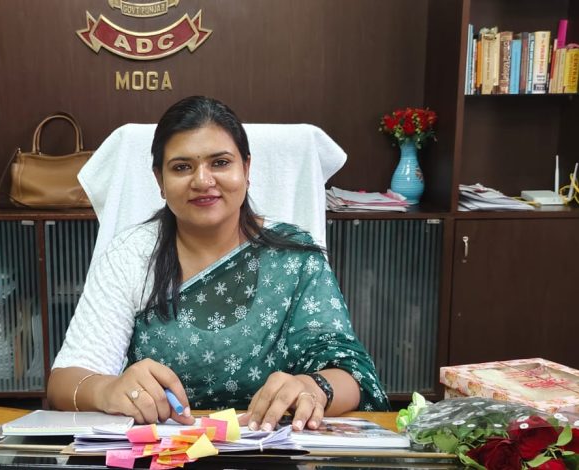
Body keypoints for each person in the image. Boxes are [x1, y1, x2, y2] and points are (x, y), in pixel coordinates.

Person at [48, 96, 389, 433]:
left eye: (220, 163)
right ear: (159, 181)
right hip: (161, 449)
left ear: (246, 169)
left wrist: (313, 387)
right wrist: (108, 390)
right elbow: (65, 381)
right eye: (181, 167)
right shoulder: (131, 254)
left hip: (277, 446)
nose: (202, 181)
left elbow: (354, 375)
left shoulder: (293, 256)